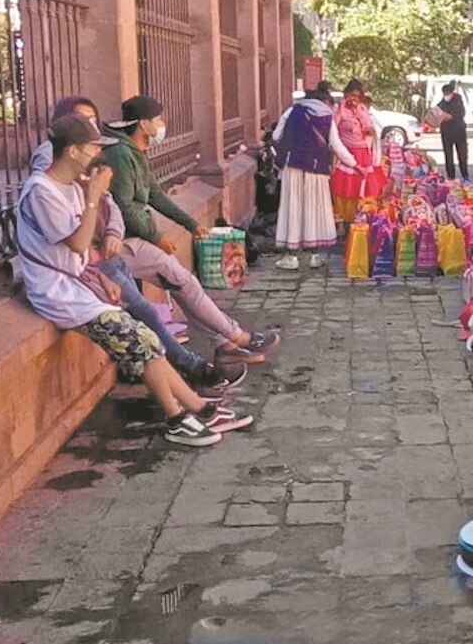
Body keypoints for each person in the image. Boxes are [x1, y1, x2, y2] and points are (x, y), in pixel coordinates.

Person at [17, 115, 252, 447]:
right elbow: (78, 243)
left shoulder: (70, 188)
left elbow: (79, 253)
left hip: (81, 287)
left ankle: (198, 409)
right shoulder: (43, 191)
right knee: (140, 341)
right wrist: (94, 196)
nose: (96, 156)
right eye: (91, 149)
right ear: (71, 152)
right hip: (59, 295)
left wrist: (99, 273)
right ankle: (176, 419)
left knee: (146, 336)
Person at [34, 96, 239, 390]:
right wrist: (103, 212)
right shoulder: (51, 168)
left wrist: (113, 232)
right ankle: (191, 371)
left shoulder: (99, 155)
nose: (90, 128)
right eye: (81, 121)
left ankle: (211, 358)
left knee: (155, 303)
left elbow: (113, 205)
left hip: (107, 249)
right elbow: (80, 233)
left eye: (92, 120)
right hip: (81, 266)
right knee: (141, 314)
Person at [103, 95, 281, 368]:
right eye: (158, 119)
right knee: (183, 281)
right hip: (120, 243)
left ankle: (225, 344)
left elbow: (155, 195)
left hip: (134, 238)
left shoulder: (135, 153)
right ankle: (238, 337)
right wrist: (157, 237)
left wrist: (190, 224)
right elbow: (125, 207)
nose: (162, 125)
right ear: (143, 124)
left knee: (183, 286)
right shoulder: (120, 155)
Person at [273, 85, 355, 270]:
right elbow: (336, 145)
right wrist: (354, 164)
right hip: (317, 169)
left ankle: (292, 257)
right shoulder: (327, 118)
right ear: (324, 101)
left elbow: (277, 135)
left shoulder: (292, 111)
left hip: (292, 165)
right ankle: (314, 256)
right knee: (314, 209)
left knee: (292, 207)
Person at [330, 79, 386, 224]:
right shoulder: (339, 109)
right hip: (346, 153)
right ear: (346, 94)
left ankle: (363, 216)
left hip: (363, 152)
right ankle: (344, 218)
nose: (354, 99)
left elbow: (370, 126)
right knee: (346, 187)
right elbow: (333, 131)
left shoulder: (362, 109)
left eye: (357, 96)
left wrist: (369, 130)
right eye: (351, 95)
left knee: (366, 186)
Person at [437, 83, 470, 182]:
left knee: (462, 155)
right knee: (448, 155)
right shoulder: (442, 103)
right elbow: (437, 113)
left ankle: (465, 175)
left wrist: (446, 116)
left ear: (451, 92)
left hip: (459, 132)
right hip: (446, 133)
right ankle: (451, 176)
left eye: (447, 93)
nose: (446, 95)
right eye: (444, 93)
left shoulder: (458, 102)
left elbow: (459, 114)